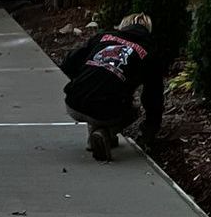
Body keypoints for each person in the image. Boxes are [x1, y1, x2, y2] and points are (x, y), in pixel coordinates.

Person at [60, 11, 164, 161]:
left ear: (124, 25)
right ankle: (106, 133)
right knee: (133, 108)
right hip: (107, 111)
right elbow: (153, 97)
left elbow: (69, 63)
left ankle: (95, 138)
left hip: (73, 103)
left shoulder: (103, 37)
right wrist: (151, 128)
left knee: (99, 94)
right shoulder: (149, 54)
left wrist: (81, 82)